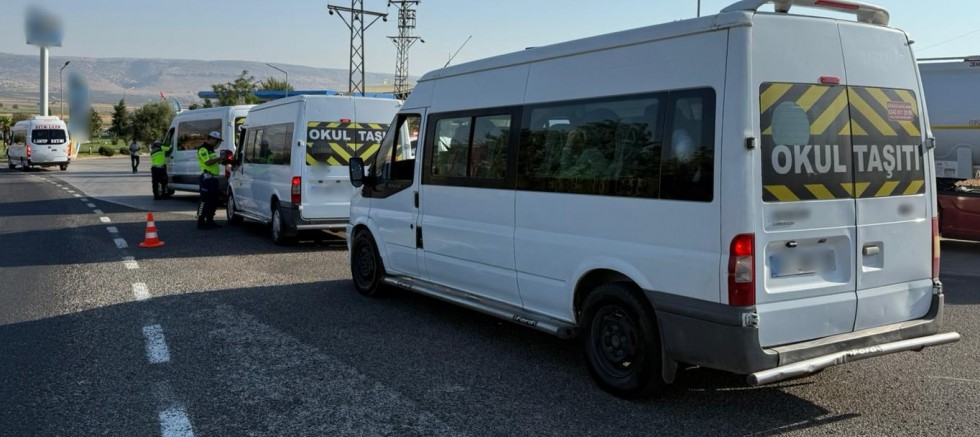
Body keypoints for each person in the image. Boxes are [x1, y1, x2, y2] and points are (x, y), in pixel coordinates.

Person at [196, 131, 225, 229]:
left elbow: (214, 163)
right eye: (217, 141)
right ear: (211, 138)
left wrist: (222, 160)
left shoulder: (211, 149)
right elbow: (208, 162)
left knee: (214, 200)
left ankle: (210, 220)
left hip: (213, 179)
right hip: (206, 179)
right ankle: (200, 222)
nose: (218, 143)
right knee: (204, 201)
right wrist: (219, 158)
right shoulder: (203, 149)